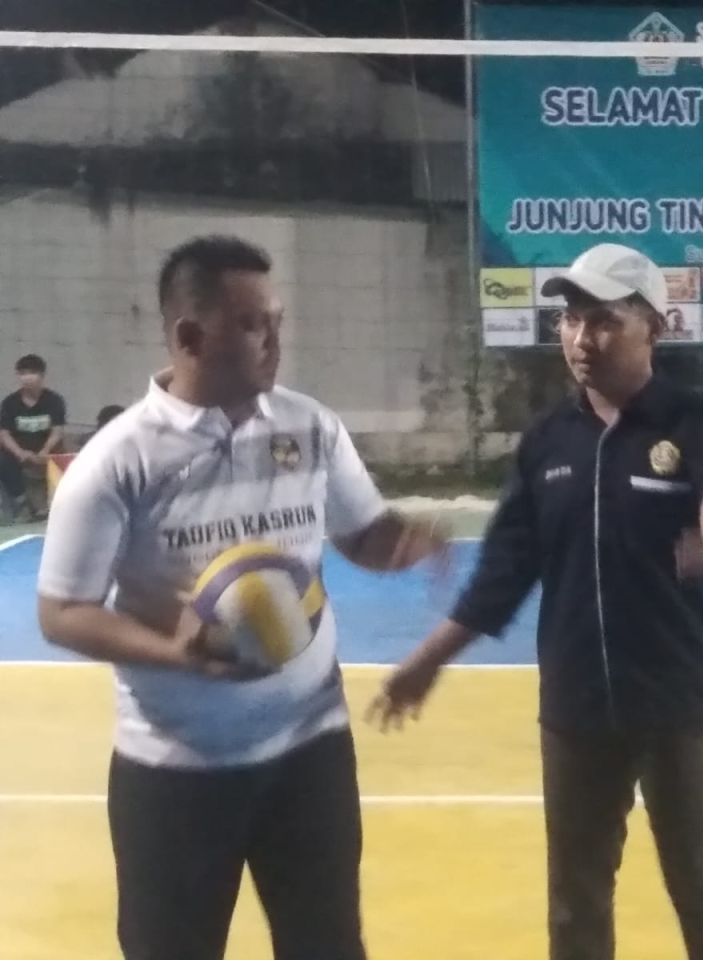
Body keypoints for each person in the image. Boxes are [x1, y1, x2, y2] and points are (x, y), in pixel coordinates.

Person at [36, 235, 449, 960]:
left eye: (277, 321)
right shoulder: (119, 461)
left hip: (310, 751)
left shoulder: (309, 426)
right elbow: (62, 611)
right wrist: (175, 654)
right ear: (190, 337)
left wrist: (405, 541)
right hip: (176, 770)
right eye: (253, 324)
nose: (275, 341)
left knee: (327, 946)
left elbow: (362, 534)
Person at [368, 242, 703, 960]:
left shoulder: (696, 420)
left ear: (654, 327)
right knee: (576, 900)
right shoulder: (548, 442)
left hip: (681, 703)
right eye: (572, 320)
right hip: (577, 708)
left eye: (605, 320)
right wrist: (429, 660)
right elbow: (505, 569)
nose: (583, 338)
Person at [0, 353, 67, 522]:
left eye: (32, 373)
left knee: (64, 459)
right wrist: (20, 453)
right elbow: (4, 433)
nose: (27, 378)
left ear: (42, 375)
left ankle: (58, 507)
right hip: (20, 452)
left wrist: (45, 451)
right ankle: (22, 503)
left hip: (47, 450)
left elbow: (57, 430)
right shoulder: (10, 402)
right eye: (23, 373)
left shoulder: (54, 400)